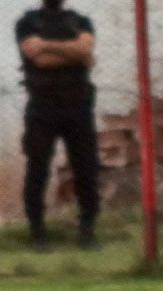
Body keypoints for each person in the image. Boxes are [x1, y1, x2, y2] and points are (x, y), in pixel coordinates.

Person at [15, 0, 100, 251]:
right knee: (38, 169)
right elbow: (39, 60)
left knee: (86, 168)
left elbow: (85, 49)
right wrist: (74, 53)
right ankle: (37, 232)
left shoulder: (80, 21)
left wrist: (46, 45)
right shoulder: (28, 22)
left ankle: (87, 231)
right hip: (42, 107)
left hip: (78, 106)